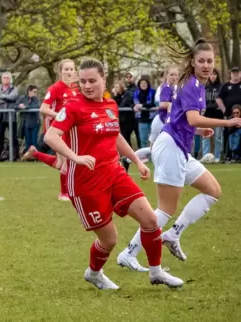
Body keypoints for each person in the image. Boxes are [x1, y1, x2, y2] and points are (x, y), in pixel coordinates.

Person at [43, 58, 183, 289]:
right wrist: (76, 157)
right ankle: (94, 273)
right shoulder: (73, 107)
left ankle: (156, 272)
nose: (87, 86)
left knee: (150, 220)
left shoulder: (110, 105)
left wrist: (137, 161)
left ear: (103, 79)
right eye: (83, 81)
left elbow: (115, 135)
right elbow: (51, 136)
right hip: (85, 182)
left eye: (92, 81)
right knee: (110, 239)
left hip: (115, 173)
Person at [118, 39, 241, 271]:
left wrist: (197, 130)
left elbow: (184, 120)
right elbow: (193, 117)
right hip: (171, 147)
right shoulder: (192, 85)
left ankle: (173, 235)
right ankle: (129, 253)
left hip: (179, 147)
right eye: (201, 61)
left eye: (210, 61)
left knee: (212, 190)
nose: (206, 65)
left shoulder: (195, 85)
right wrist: (228, 122)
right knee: (165, 209)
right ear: (193, 62)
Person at [22, 59, 79, 201]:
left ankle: (36, 153)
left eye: (72, 69)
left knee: (61, 163)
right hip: (56, 129)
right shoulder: (55, 88)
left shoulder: (76, 89)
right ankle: (64, 193)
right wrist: (60, 116)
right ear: (60, 72)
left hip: (70, 129)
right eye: (66, 69)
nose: (69, 72)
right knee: (66, 161)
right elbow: (43, 109)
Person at [120, 66, 178, 173]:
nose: (174, 77)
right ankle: (128, 159)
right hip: (161, 121)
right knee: (154, 148)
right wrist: (178, 105)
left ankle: (127, 160)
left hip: (168, 121)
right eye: (171, 75)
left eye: (176, 75)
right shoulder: (166, 88)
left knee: (160, 147)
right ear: (166, 76)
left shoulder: (175, 88)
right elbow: (162, 104)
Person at [201, 69, 223, 163]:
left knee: (217, 138)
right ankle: (206, 156)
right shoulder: (205, 87)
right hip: (206, 116)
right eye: (211, 74)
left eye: (215, 74)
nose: (213, 76)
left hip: (218, 116)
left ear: (217, 76)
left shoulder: (221, 87)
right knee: (205, 137)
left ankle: (217, 156)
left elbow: (222, 100)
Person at [16, 85, 40, 154]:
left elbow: (36, 106)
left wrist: (26, 107)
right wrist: (19, 106)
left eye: (36, 92)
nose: (35, 93)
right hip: (26, 123)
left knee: (34, 141)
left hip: (35, 122)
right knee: (28, 141)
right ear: (29, 91)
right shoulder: (23, 98)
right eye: (34, 92)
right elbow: (15, 106)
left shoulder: (36, 99)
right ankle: (27, 156)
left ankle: (35, 156)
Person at [133, 77, 157, 148]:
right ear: (139, 85)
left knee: (153, 139)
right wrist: (133, 107)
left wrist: (142, 105)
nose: (143, 84)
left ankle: (153, 155)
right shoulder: (136, 94)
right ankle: (144, 156)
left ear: (148, 84)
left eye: (145, 83)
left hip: (152, 118)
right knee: (143, 139)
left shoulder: (153, 92)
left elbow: (153, 103)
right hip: (141, 119)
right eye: (142, 83)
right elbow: (132, 104)